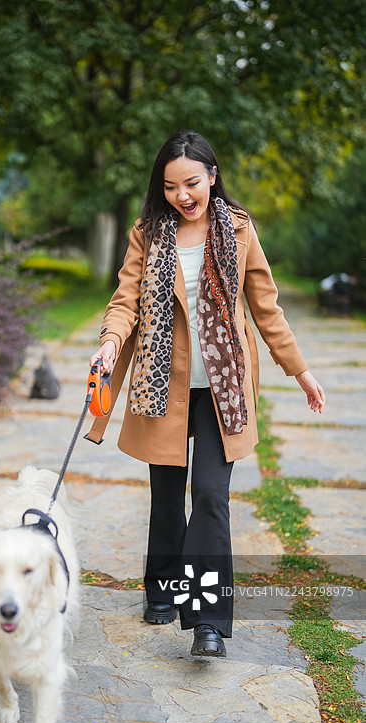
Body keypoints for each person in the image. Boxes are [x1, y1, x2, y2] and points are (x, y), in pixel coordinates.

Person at [86, 129, 325, 659]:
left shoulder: (238, 230)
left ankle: (208, 620)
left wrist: (300, 370)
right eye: (171, 186)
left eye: (192, 182)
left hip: (224, 392)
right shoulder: (148, 232)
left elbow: (265, 308)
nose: (183, 195)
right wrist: (108, 345)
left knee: (212, 497)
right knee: (167, 499)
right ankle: (162, 588)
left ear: (213, 177)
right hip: (162, 385)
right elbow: (125, 300)